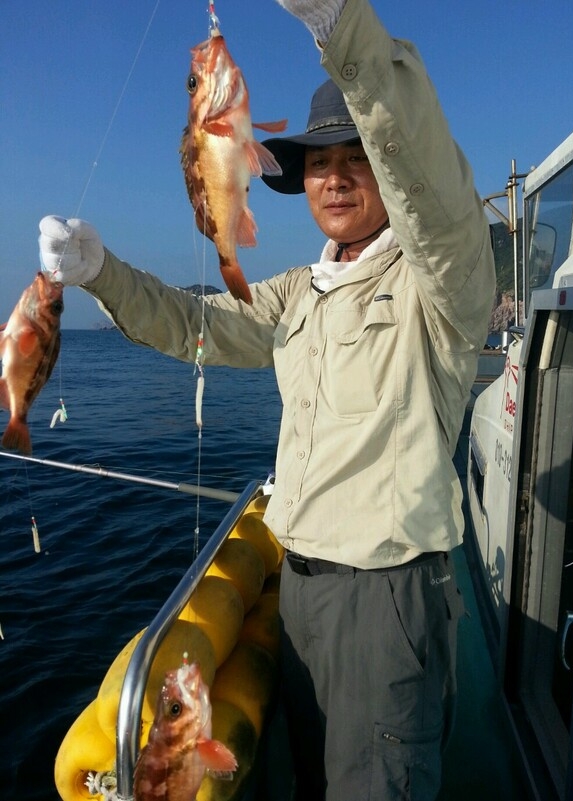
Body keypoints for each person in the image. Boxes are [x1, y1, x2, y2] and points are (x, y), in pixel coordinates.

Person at [38, 0, 495, 798]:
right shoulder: (299, 292)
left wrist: (339, 23)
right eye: (319, 162)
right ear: (301, 183)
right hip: (299, 591)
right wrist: (99, 271)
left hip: (388, 603)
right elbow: (197, 325)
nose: (337, 175)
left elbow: (430, 180)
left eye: (359, 156)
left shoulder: (440, 282)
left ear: (386, 168)